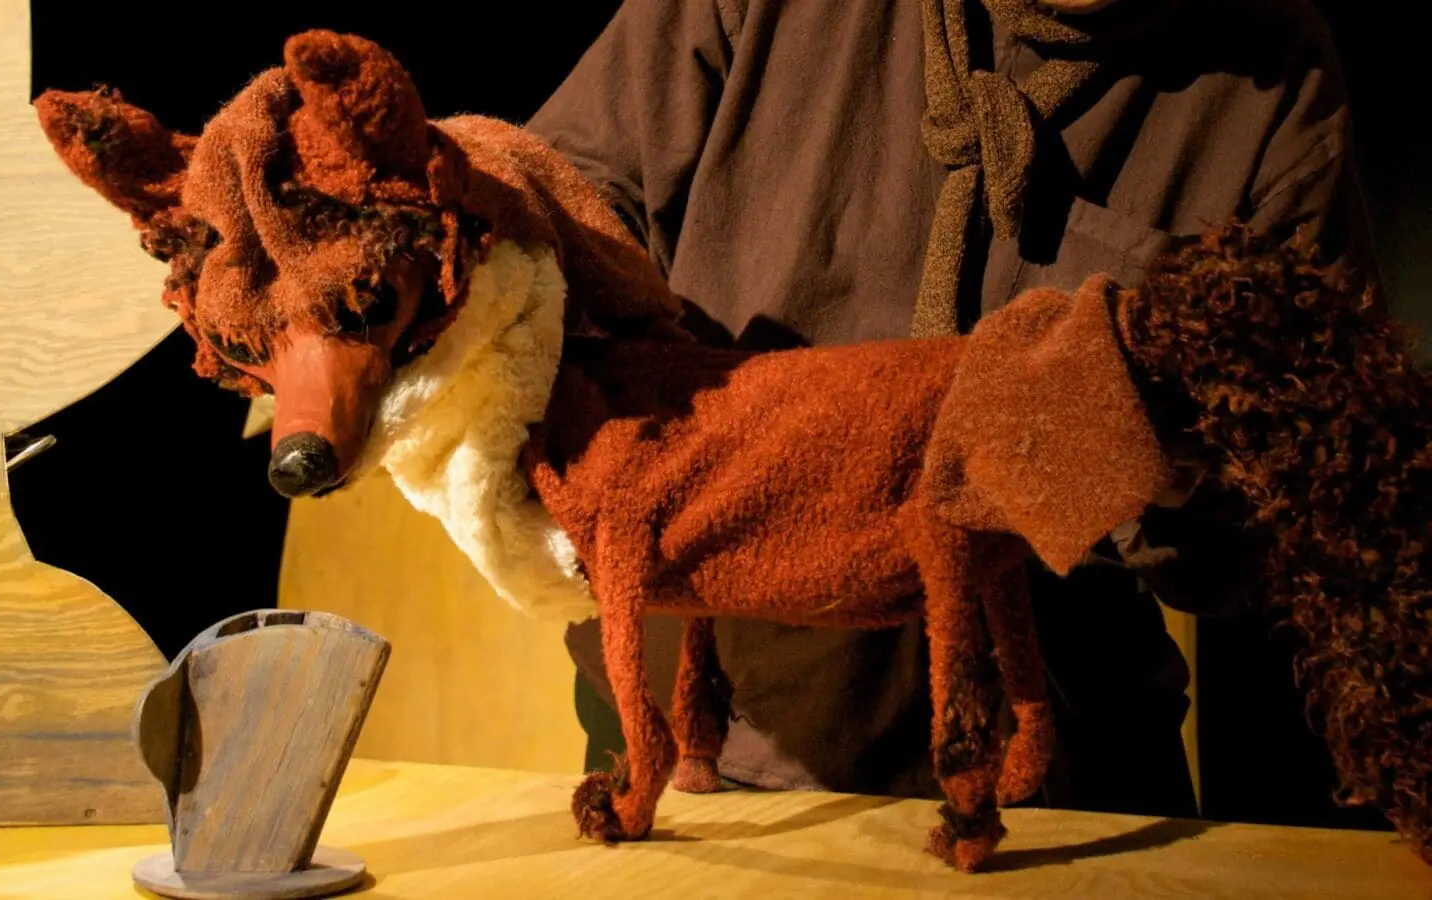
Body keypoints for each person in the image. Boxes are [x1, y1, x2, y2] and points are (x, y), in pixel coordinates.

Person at [524, 0, 1381, 817]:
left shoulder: (1272, 65)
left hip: (1064, 781)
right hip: (698, 754)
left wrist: (1126, 438)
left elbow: (1279, 524)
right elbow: (543, 232)